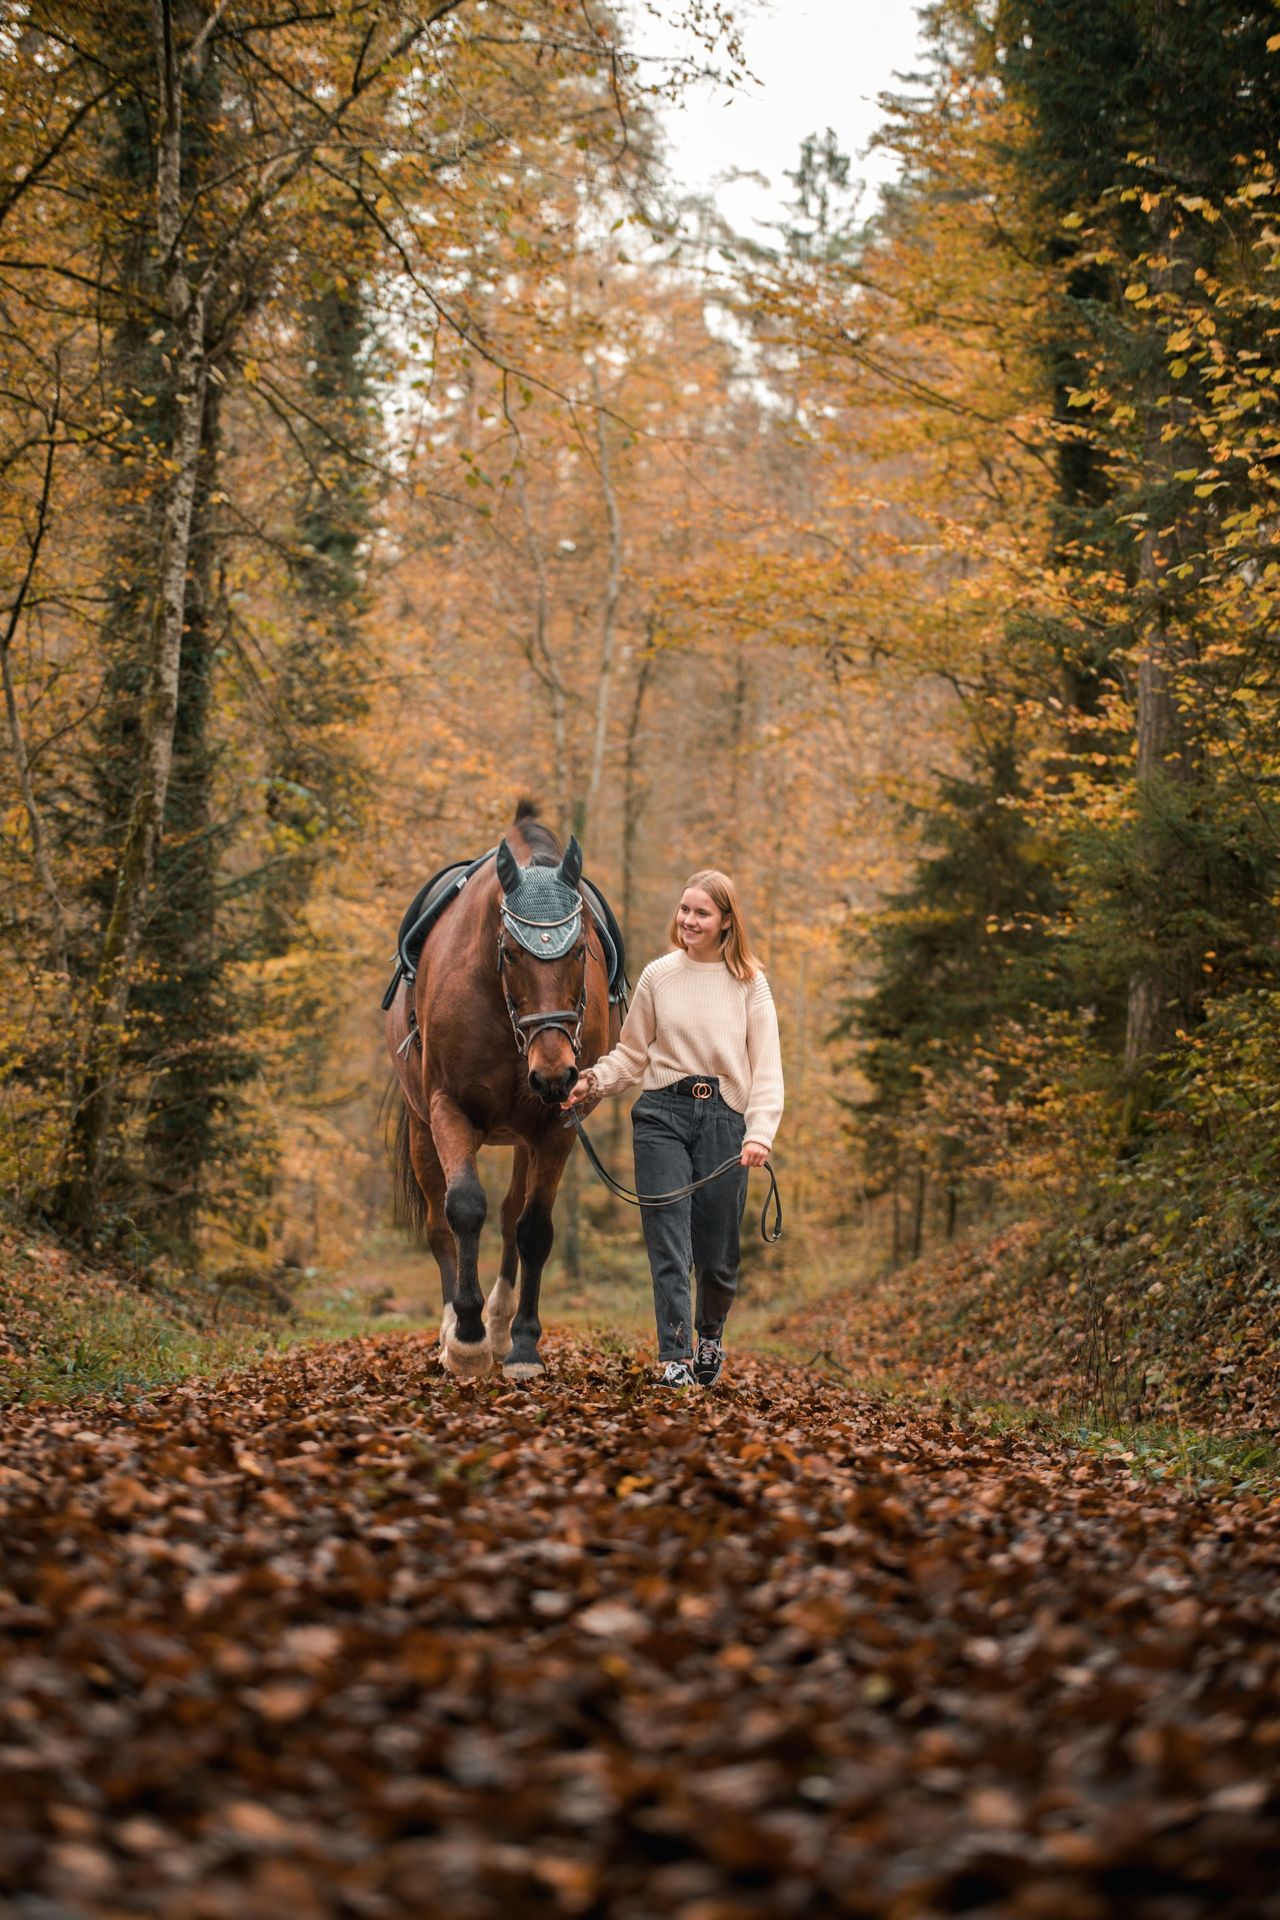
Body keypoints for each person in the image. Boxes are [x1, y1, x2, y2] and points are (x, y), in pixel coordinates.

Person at [562, 869, 784, 1389]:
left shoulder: (751, 983)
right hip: (662, 1114)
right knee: (668, 1242)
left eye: (701, 913)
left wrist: (759, 1132)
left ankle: (710, 1335)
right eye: (684, 910)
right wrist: (591, 1081)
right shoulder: (658, 976)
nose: (688, 920)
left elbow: (768, 1067)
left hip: (726, 1119)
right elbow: (632, 1055)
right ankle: (676, 1357)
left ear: (726, 922)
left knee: (718, 1252)